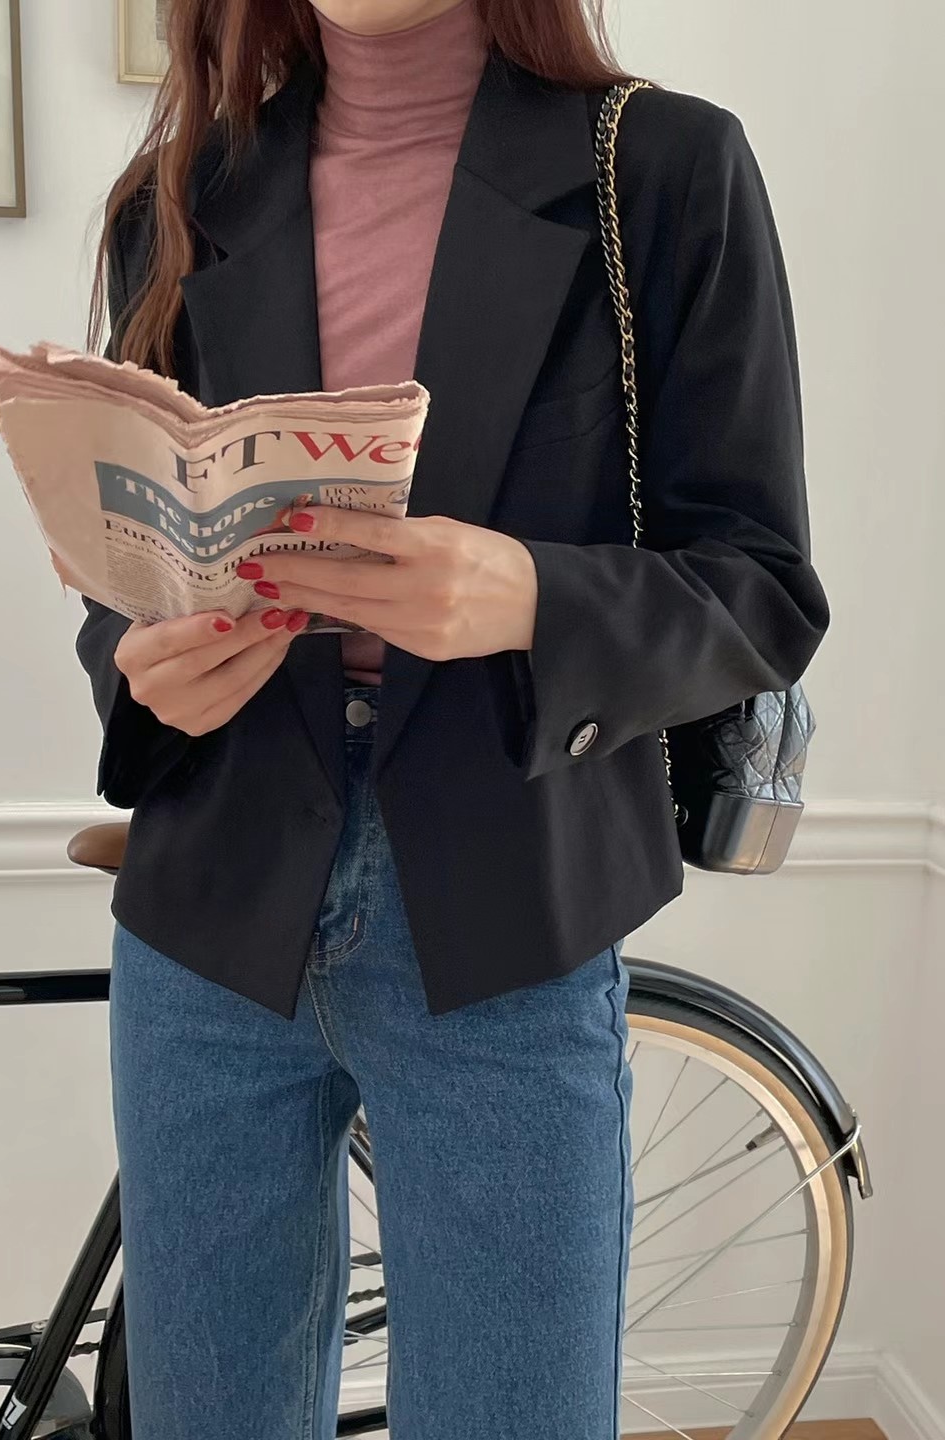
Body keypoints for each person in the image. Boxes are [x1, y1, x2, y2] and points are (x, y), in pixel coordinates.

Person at [78, 0, 829, 1435]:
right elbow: (131, 564)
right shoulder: (177, 194)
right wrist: (139, 664)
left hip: (503, 902)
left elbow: (762, 587)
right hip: (211, 895)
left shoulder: (662, 170)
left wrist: (529, 594)